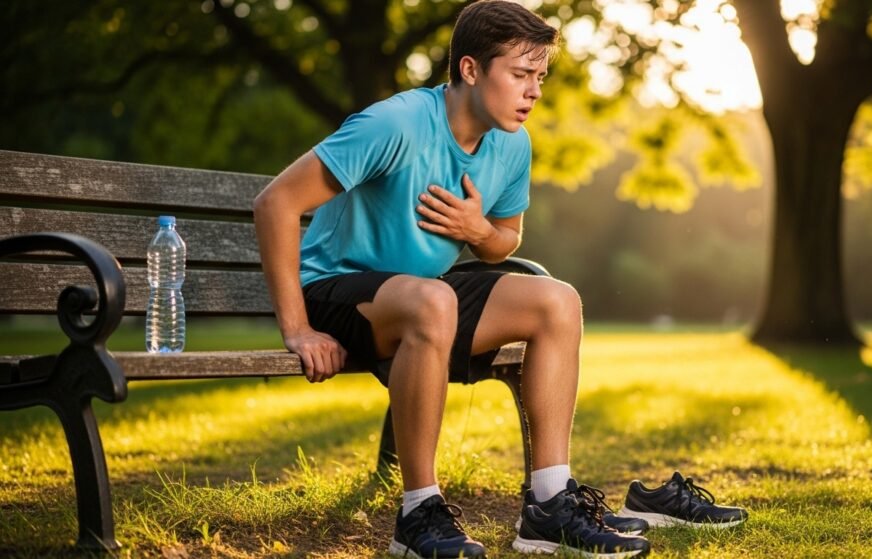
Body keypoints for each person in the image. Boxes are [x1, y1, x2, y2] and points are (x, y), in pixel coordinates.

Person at [254, 1, 744, 556]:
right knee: (434, 299)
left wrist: (476, 229)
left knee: (557, 301)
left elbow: (506, 239)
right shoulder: (394, 123)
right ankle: (418, 513)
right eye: (519, 74)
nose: (534, 91)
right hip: (335, 293)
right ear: (470, 69)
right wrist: (297, 328)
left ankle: (549, 504)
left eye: (540, 76)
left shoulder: (512, 141)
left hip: (422, 299)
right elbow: (276, 203)